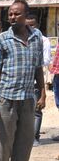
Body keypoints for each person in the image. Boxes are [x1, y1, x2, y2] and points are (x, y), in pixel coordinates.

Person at [0, 0, 45, 161]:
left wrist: (43, 94)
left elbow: (38, 67)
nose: (12, 17)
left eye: (16, 14)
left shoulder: (36, 37)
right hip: (7, 98)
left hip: (28, 98)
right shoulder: (3, 39)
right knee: (4, 144)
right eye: (10, 14)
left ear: (26, 16)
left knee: (24, 143)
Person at [25, 14, 52, 147]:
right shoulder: (19, 38)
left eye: (32, 25)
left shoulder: (43, 40)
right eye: (27, 25)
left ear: (37, 26)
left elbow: (46, 61)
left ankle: (34, 138)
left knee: (36, 111)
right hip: (21, 83)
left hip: (35, 81)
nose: (29, 27)